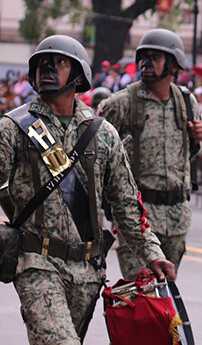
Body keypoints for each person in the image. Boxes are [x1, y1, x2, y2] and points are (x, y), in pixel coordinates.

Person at [0, 35, 174, 344]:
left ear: (78, 75)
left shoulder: (101, 132)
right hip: (37, 264)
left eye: (59, 63)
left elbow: (126, 203)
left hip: (87, 270)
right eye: (41, 64)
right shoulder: (14, 127)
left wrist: (152, 253)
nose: (48, 69)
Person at [99, 28, 202, 278]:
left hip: (177, 218)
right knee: (140, 301)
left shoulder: (187, 103)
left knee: (163, 302)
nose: (146, 63)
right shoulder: (121, 103)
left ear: (174, 64)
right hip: (137, 217)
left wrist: (197, 140)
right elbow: (95, 158)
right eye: (143, 57)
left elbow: (187, 157)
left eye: (155, 57)